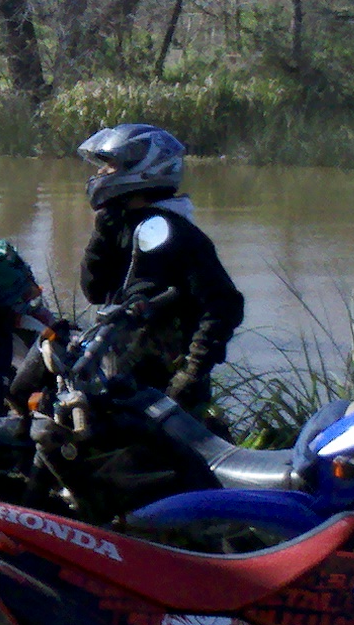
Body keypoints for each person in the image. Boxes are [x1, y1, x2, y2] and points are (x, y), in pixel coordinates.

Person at [74, 124, 244, 412]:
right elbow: (95, 290)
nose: (101, 173)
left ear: (146, 169)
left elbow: (223, 304)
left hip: (168, 388)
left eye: (111, 166)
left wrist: (191, 373)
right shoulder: (120, 224)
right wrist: (102, 234)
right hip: (122, 377)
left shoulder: (179, 234)